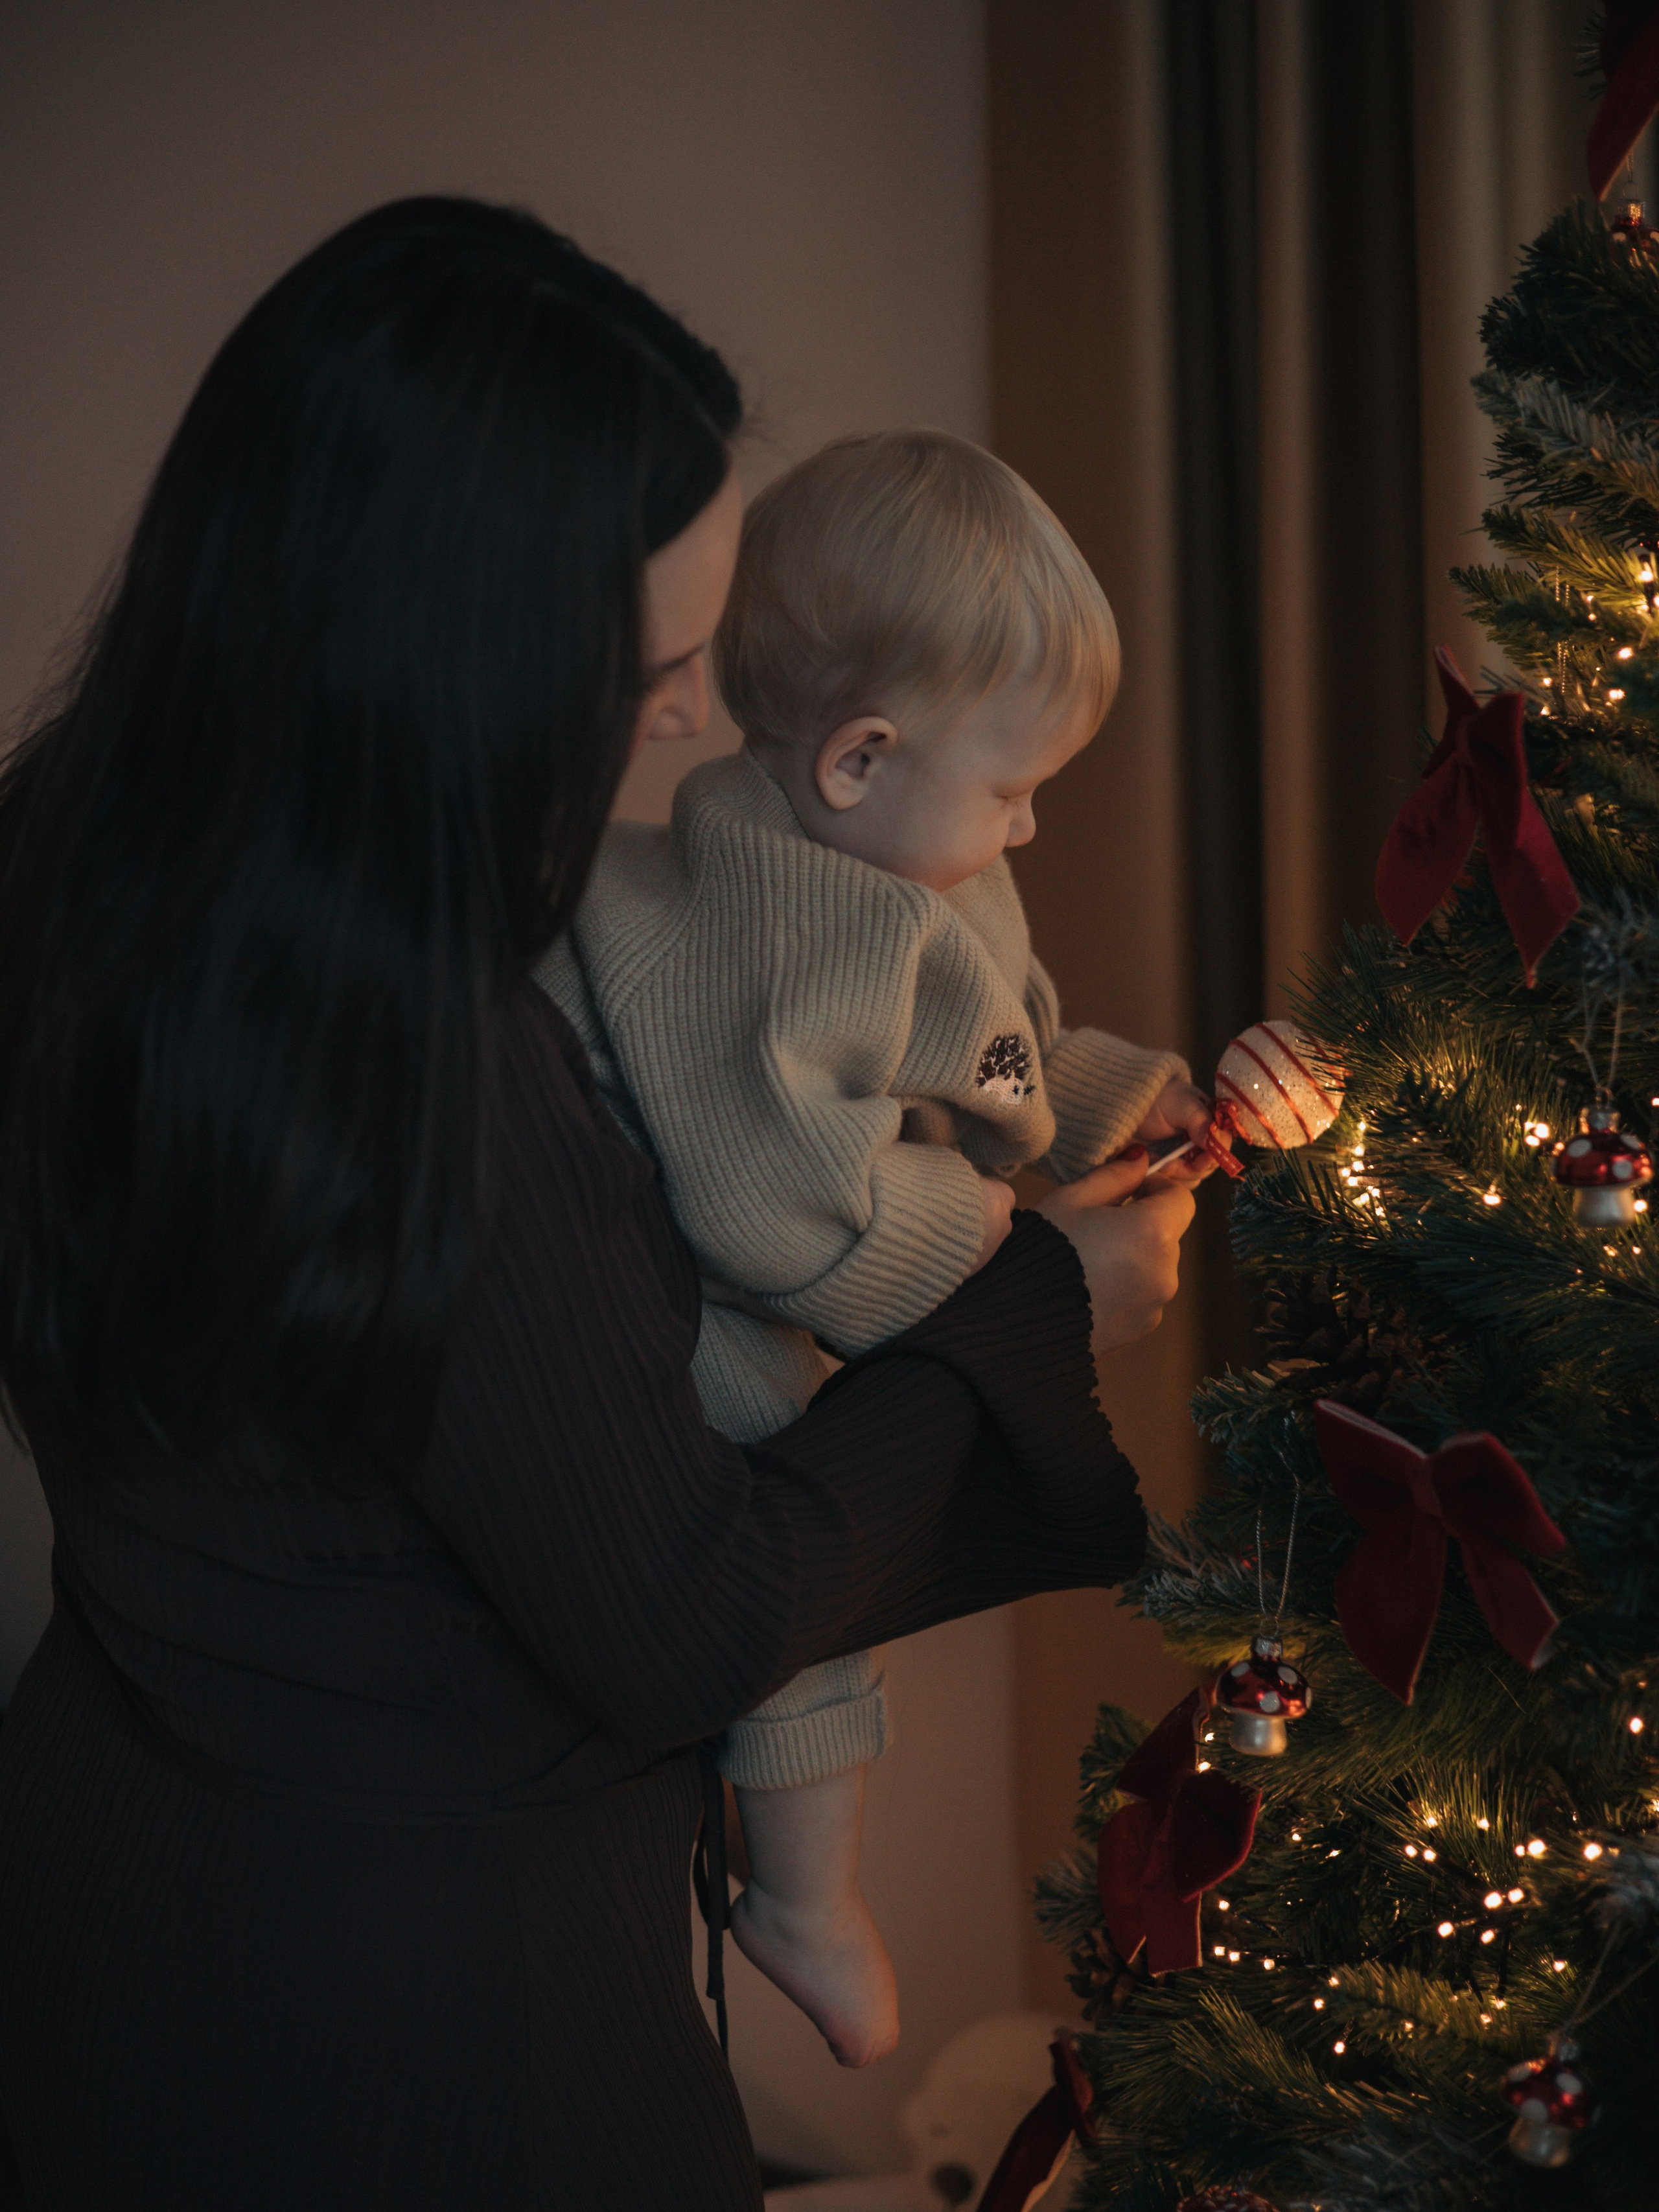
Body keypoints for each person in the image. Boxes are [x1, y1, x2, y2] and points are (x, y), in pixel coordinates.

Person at [0, 197, 1194, 2212]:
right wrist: (1037, 1301)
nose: (680, 718)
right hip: (426, 2027)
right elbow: (684, 1614)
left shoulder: (68, 853)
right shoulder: (406, 1055)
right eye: (642, 664)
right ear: (439, 648)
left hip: (103, 1895)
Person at [540, 427, 1223, 2070]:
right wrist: (1017, 1252)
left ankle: (790, 1882)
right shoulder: (780, 936)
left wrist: (1129, 1105)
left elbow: (1001, 1056)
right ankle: (798, 1895)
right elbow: (789, 1221)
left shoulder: (917, 863)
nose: (1030, 828)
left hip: (765, 1197)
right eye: (1012, 789)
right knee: (784, 1500)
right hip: (680, 1244)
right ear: (854, 759)